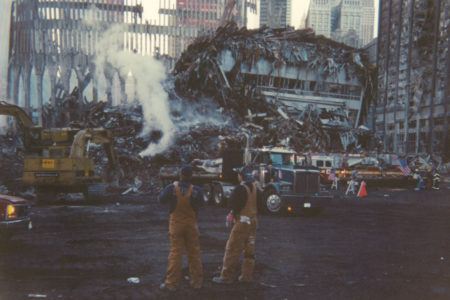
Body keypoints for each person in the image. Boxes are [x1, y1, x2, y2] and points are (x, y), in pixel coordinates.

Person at [158, 165, 204, 291]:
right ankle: (197, 282)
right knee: (194, 254)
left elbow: (161, 200)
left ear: (180, 175)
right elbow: (201, 203)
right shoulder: (197, 190)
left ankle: (171, 284)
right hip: (191, 226)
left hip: (176, 226)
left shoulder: (171, 188)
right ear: (191, 176)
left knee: (175, 254)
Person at [213, 166, 258, 284]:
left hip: (242, 223)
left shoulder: (240, 189)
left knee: (232, 249)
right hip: (253, 223)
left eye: (238, 174)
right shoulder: (254, 187)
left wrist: (232, 213)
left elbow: (232, 204)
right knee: (249, 251)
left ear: (241, 176)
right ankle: (246, 277)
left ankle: (226, 277)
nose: (237, 176)